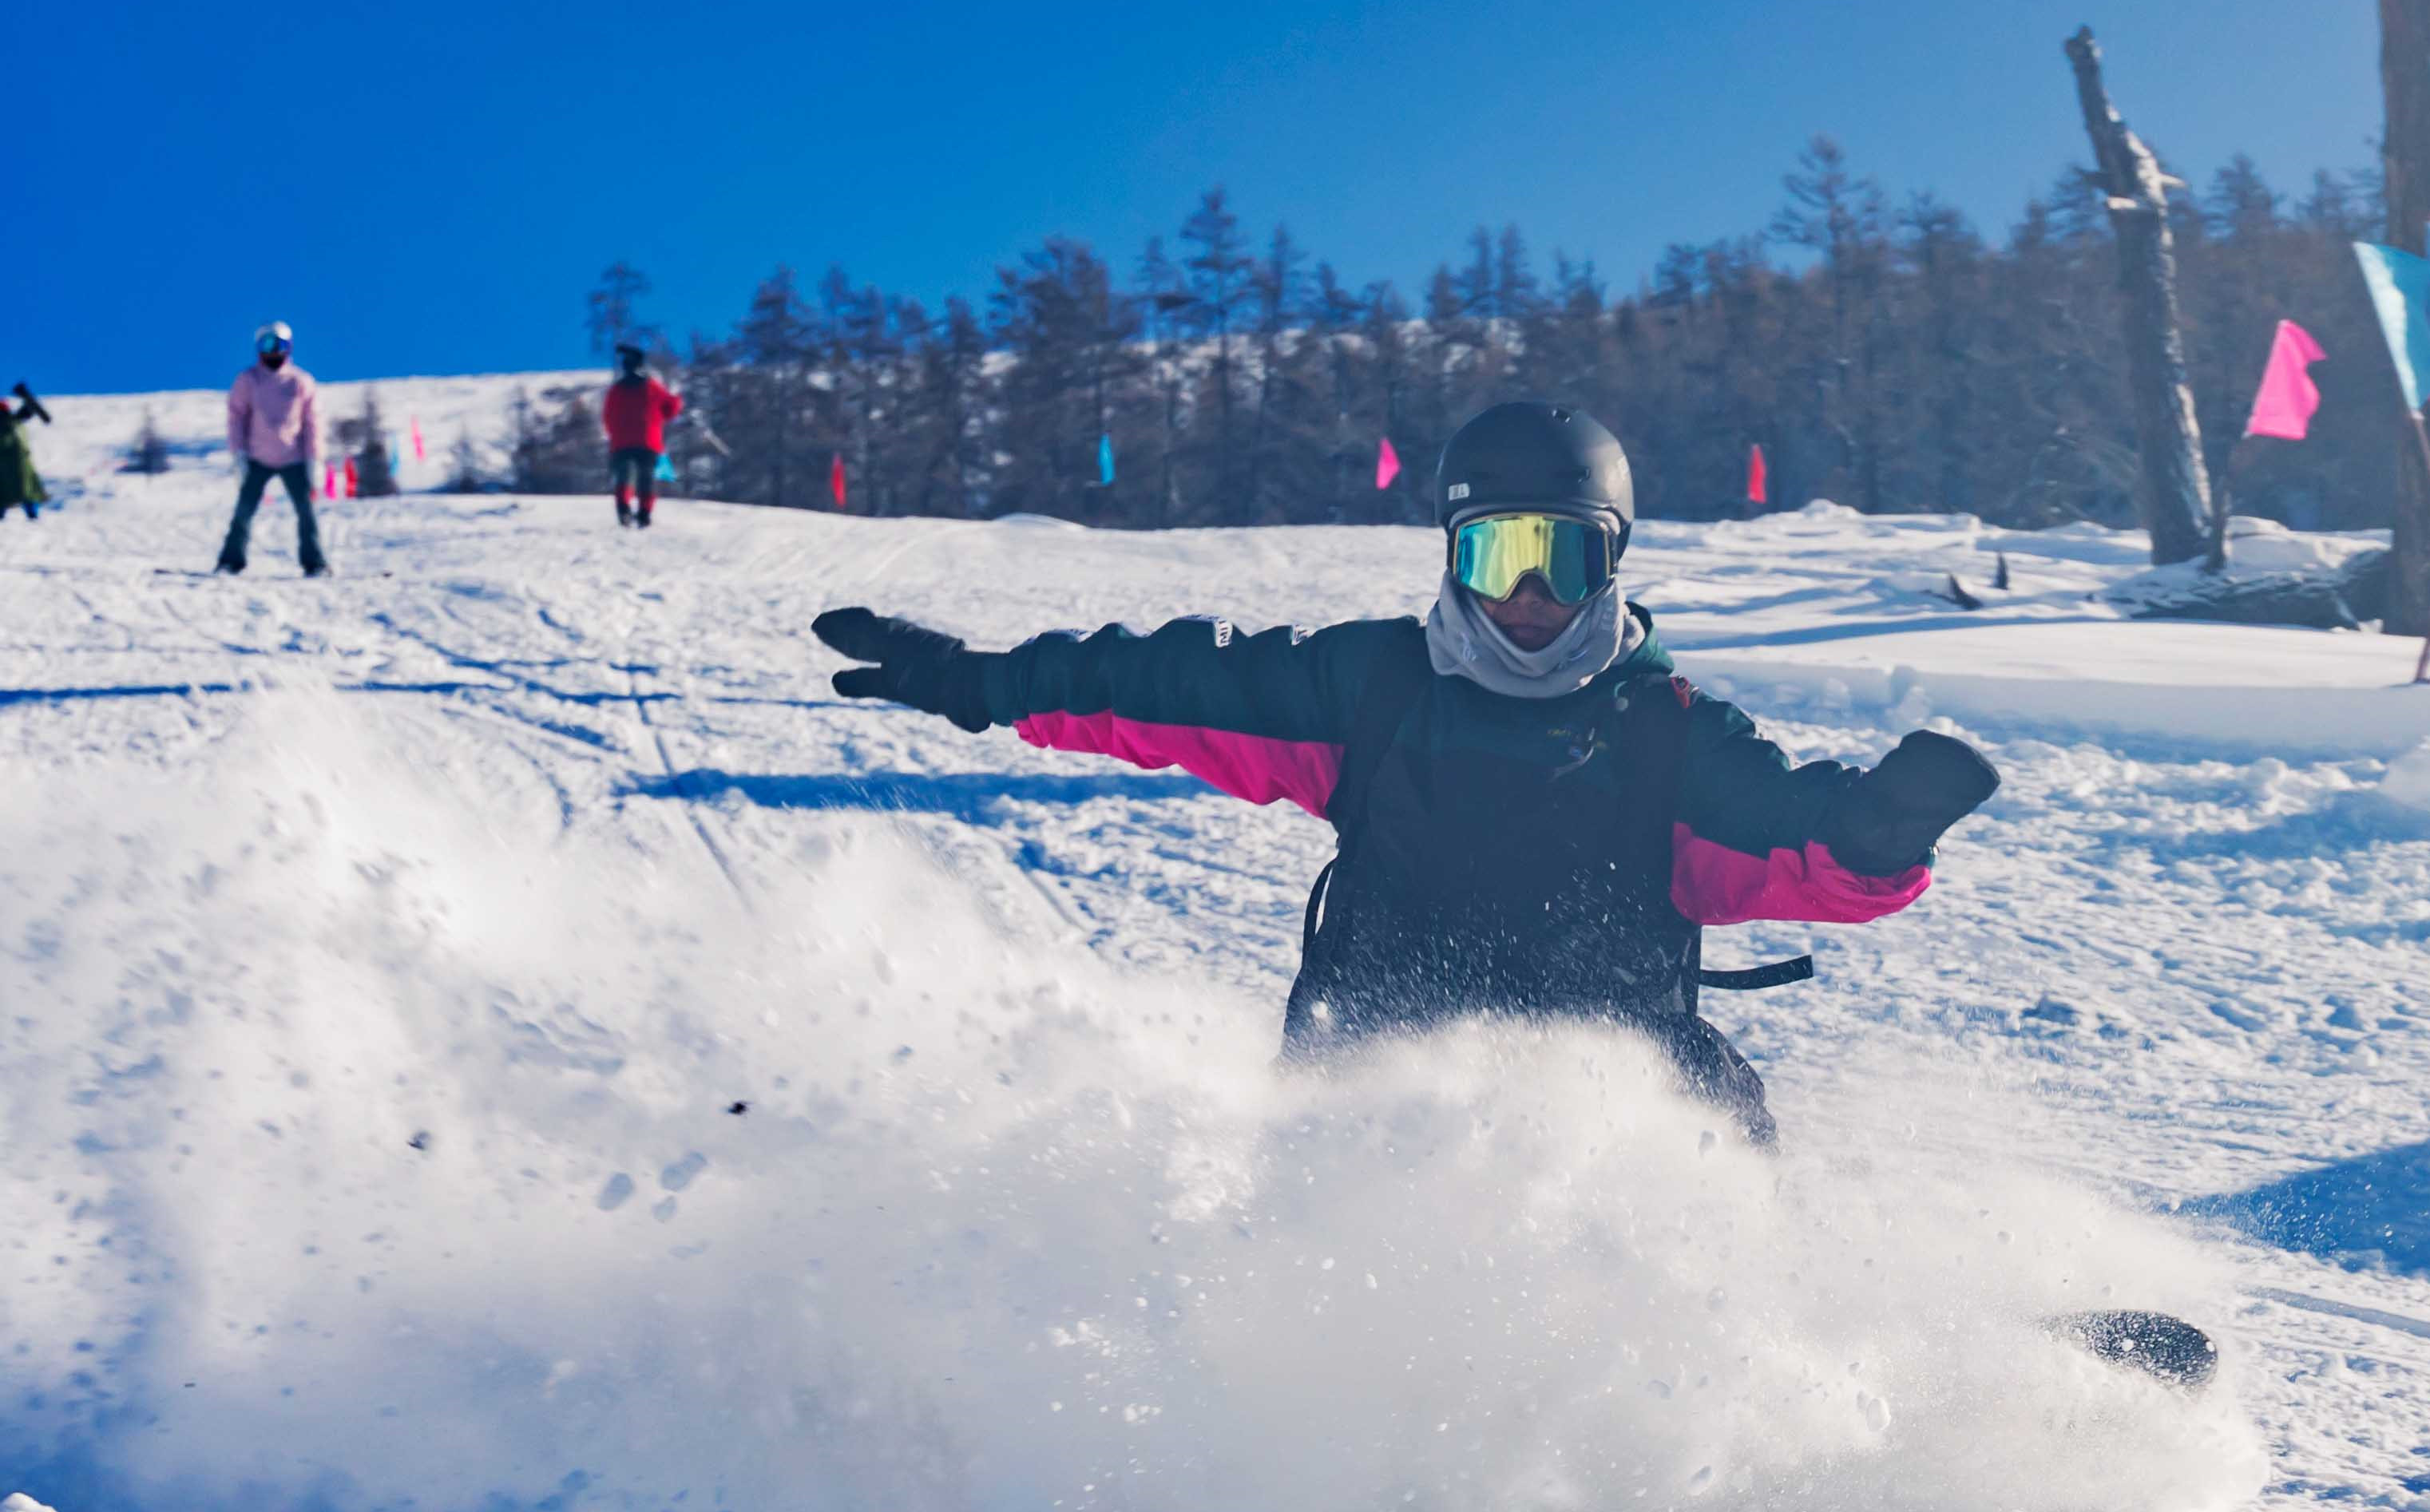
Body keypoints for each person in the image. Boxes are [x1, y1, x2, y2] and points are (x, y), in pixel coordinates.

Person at [808, 401, 1997, 1142]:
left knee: (1713, 1097)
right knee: (1358, 1130)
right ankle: (1291, 1378)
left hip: (1610, 1076)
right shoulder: (1374, 689)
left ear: (1613, 564)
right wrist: (978, 682)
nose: (1527, 597)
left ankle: (1766, 1359)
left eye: (1563, 558)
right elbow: (1162, 686)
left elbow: (1787, 837)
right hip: (1380, 1058)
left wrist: (1877, 829)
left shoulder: (1667, 732)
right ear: (1453, 555)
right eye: (1497, 554)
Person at [216, 323, 326, 576]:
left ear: (289, 348)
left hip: (294, 458)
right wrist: (238, 454)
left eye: (279, 345)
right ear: (258, 349)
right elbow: (236, 418)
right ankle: (230, 562)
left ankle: (315, 563)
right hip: (257, 457)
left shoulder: (300, 381)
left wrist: (314, 459)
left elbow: (313, 422)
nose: (273, 352)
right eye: (267, 345)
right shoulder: (248, 380)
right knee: (244, 510)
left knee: (306, 511)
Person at [601, 344, 683, 526]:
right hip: (648, 442)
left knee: (625, 476)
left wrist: (614, 434)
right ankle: (644, 514)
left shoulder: (616, 390)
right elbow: (671, 408)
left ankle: (624, 509)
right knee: (646, 477)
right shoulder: (651, 386)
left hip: (621, 443)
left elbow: (607, 416)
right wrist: (677, 399)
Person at [0, 382, 47, 522]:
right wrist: (26, 396)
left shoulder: (13, 421)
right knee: (27, 489)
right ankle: (32, 515)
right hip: (21, 462)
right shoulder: (16, 420)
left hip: (6, 464)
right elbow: (30, 409)